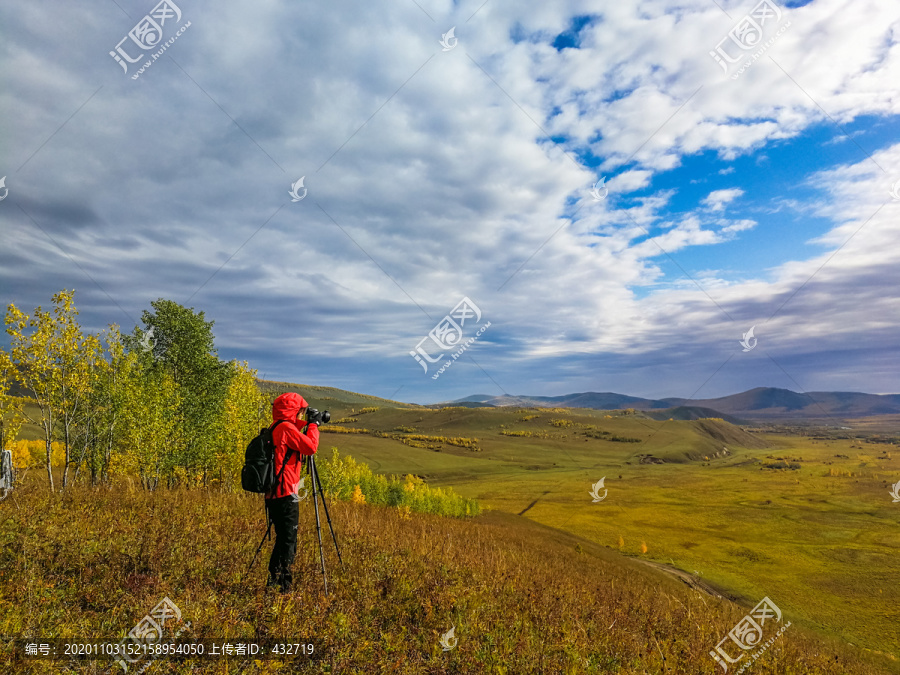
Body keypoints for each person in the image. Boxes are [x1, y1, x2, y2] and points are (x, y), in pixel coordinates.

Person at [266, 392, 320, 593]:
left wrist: (304, 425)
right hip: (286, 491)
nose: (301, 413)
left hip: (273, 493)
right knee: (288, 539)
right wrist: (313, 426)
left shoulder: (275, 427)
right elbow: (310, 447)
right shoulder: (287, 428)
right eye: (300, 410)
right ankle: (282, 586)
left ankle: (274, 580)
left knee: (282, 537)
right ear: (292, 411)